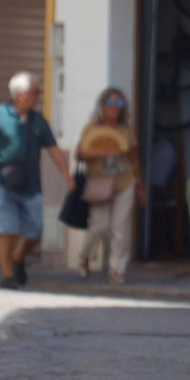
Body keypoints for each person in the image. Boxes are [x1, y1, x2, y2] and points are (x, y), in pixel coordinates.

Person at [0, 72, 72, 289]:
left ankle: (18, 257)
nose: (39, 96)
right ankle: (8, 276)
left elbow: (53, 150)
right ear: (21, 95)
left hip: (31, 186)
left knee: (35, 231)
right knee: (5, 229)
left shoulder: (38, 121)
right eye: (36, 92)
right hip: (1, 183)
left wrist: (67, 176)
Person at [75, 87, 145, 284]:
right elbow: (80, 155)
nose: (115, 107)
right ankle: (84, 256)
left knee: (120, 228)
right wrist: (101, 153)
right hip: (99, 182)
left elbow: (134, 159)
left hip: (124, 182)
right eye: (111, 103)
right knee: (99, 225)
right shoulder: (91, 129)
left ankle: (116, 269)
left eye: (119, 103)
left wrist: (140, 186)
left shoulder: (126, 130)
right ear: (103, 106)